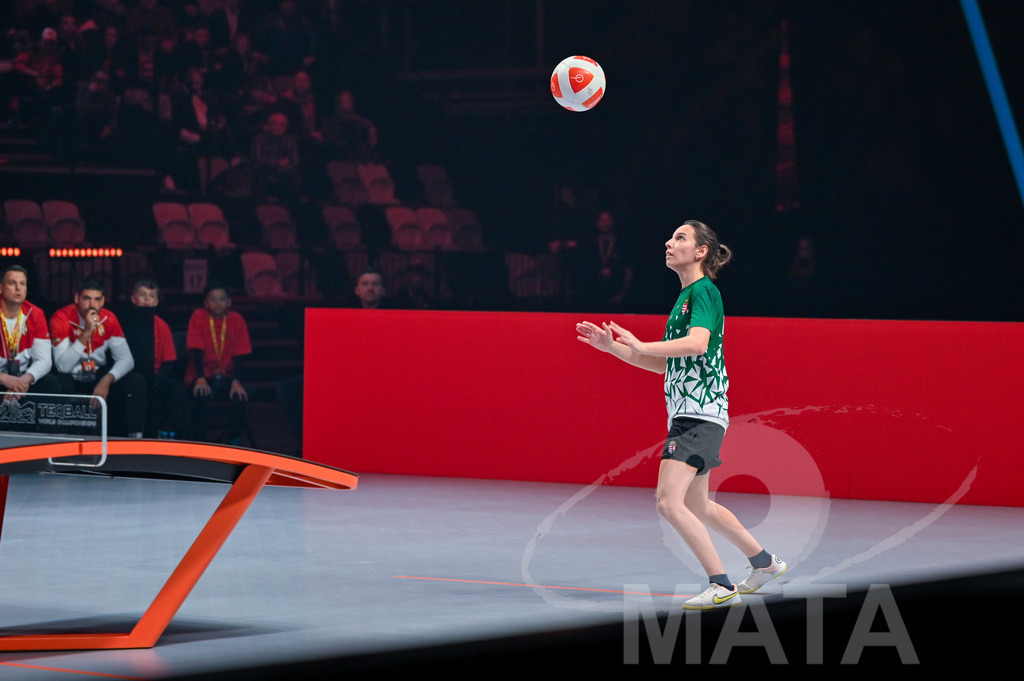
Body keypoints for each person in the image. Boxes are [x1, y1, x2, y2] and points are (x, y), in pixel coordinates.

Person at [575, 219, 786, 610]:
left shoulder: (704, 291)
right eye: (671, 237)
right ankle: (765, 564)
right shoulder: (686, 297)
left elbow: (698, 343)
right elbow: (664, 364)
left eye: (680, 238)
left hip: (698, 413)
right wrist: (613, 349)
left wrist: (642, 343)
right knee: (698, 505)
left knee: (667, 501)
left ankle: (721, 585)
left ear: (701, 251)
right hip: (693, 413)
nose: (669, 243)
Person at [50, 277, 147, 437]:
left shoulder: (109, 318)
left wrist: (106, 380)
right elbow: (62, 366)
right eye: (87, 298)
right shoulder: (61, 317)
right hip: (70, 377)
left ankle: (135, 439)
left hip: (97, 376)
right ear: (77, 298)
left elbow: (127, 360)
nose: (92, 305)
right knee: (58, 382)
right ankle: (58, 439)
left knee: (136, 381)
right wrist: (87, 331)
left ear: (102, 301)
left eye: (97, 299)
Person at [185, 283, 252, 444]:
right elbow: (197, 350)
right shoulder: (199, 316)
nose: (218, 303)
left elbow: (239, 353)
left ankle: (233, 439)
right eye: (213, 299)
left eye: (222, 299)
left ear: (229, 302)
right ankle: (198, 441)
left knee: (240, 397)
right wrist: (200, 378)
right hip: (202, 374)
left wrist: (236, 381)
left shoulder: (236, 319)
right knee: (201, 394)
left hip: (228, 375)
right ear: (206, 303)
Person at [130, 279, 191, 439]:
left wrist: (156, 380)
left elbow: (169, 362)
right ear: (133, 298)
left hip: (156, 378)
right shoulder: (125, 323)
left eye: (151, 296)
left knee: (177, 388)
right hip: (131, 377)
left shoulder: (162, 326)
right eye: (142, 295)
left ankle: (186, 435)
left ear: (156, 301)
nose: (147, 299)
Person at [0, 265, 61, 397]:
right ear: (1, 288)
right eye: (12, 283)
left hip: (22, 377)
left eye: (22, 284)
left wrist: (23, 381)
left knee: (52, 383)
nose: (18, 288)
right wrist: (4, 379)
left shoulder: (36, 314)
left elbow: (44, 360)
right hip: (1, 377)